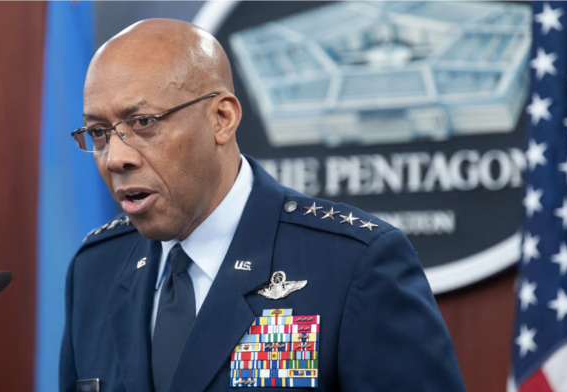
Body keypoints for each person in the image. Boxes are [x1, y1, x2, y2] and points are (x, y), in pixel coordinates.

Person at [59, 19, 466, 392]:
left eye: (143, 123)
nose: (115, 158)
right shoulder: (96, 268)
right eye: (98, 132)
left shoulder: (351, 264)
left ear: (221, 118)